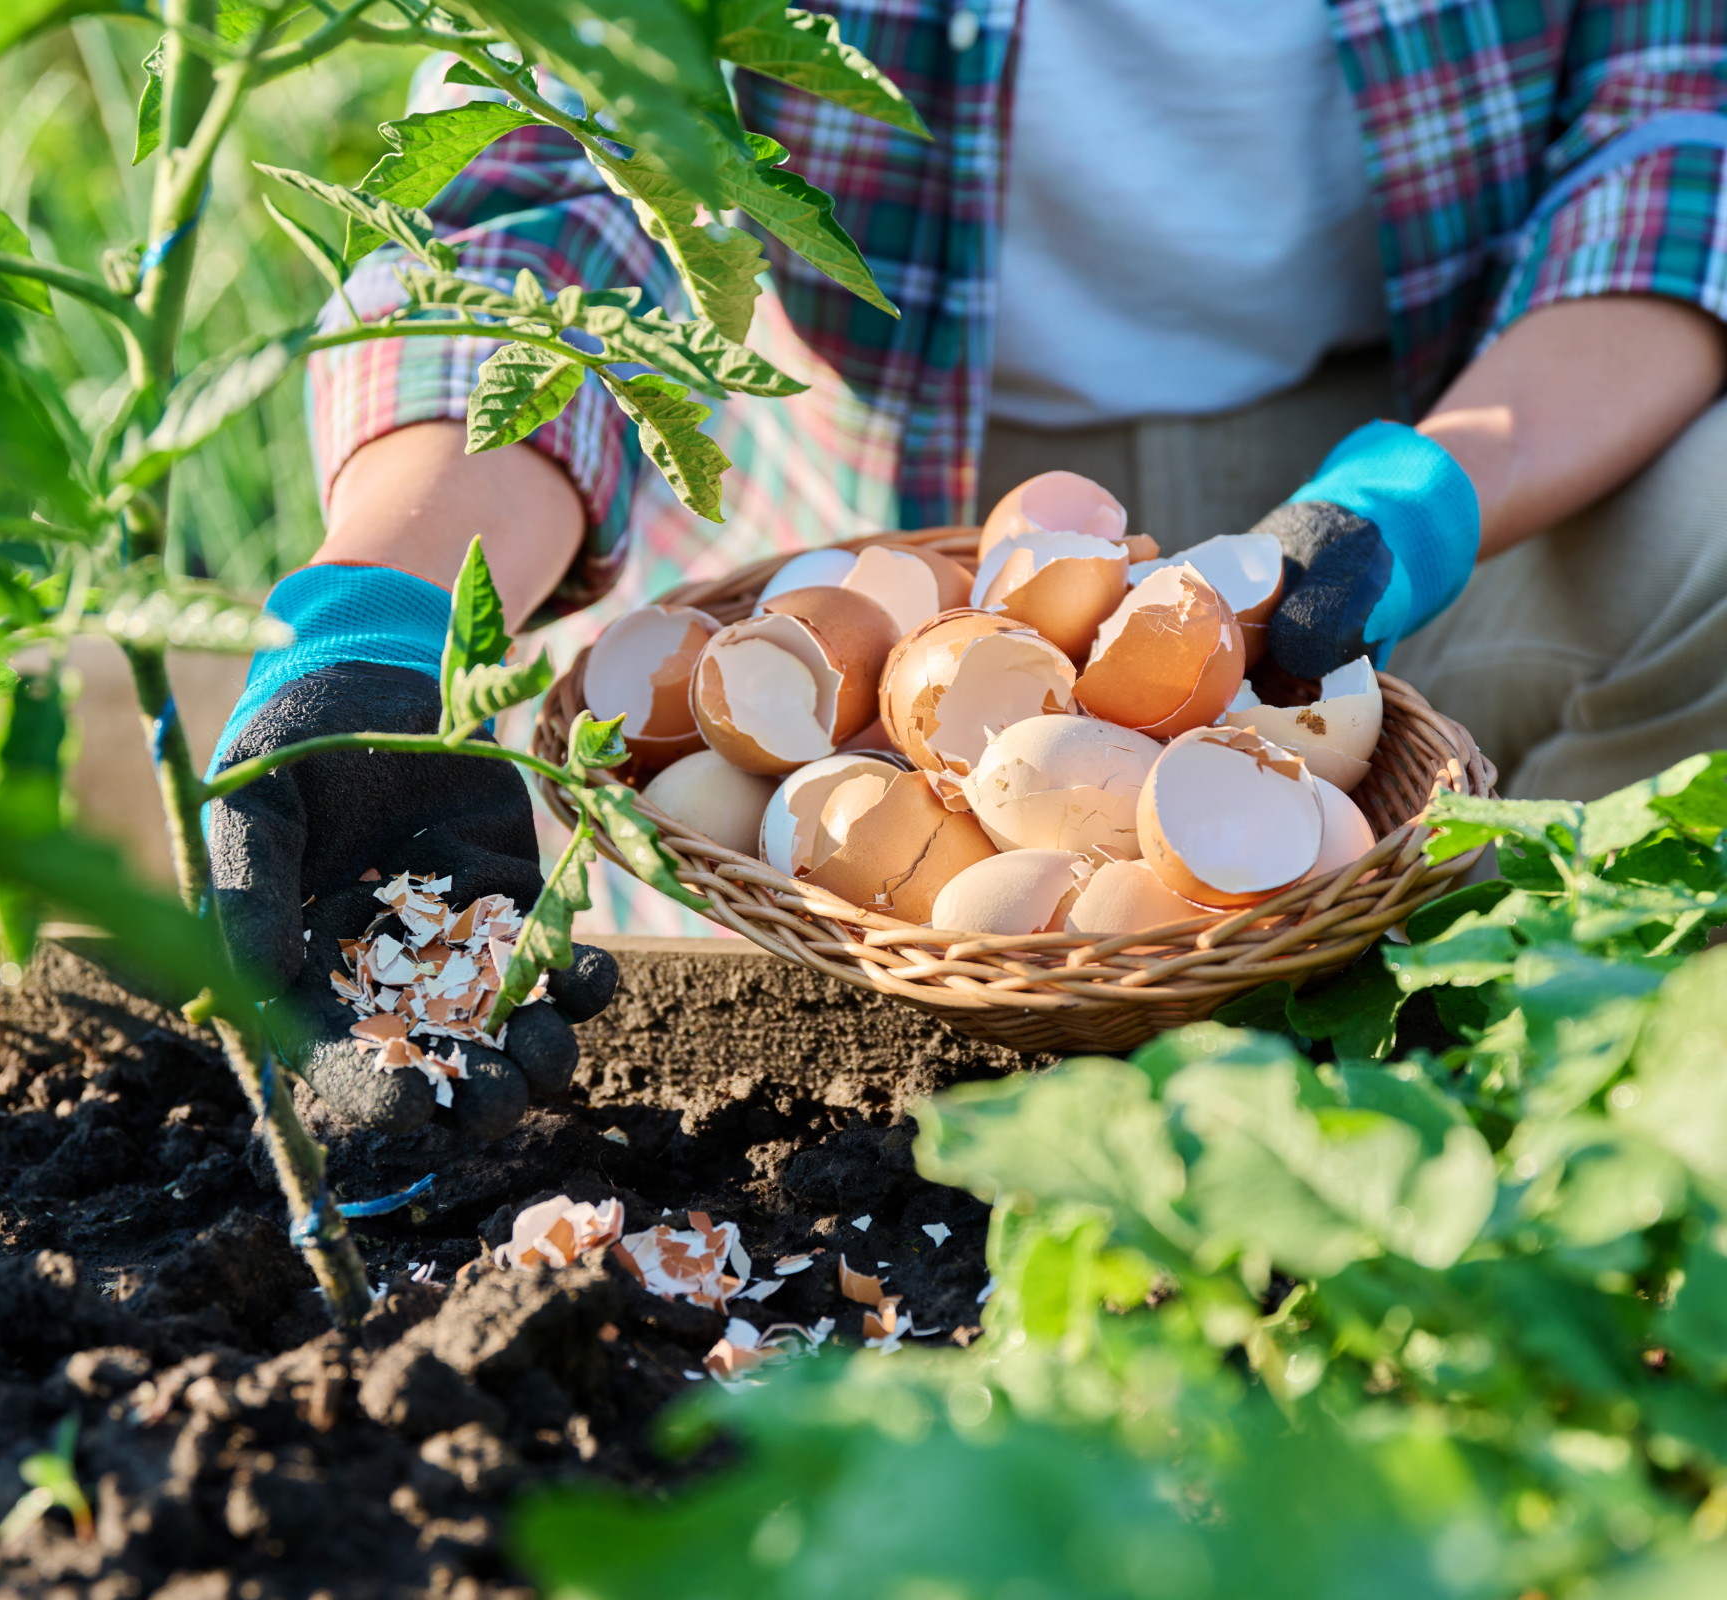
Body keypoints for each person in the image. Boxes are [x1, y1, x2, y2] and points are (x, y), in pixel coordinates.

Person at [207, 0, 1727, 1133]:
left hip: (1457, 406)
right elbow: (551, 169)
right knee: (807, 848)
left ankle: (1516, 1044)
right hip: (889, 511)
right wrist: (382, 610)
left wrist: (1418, 501)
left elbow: (1676, 135)